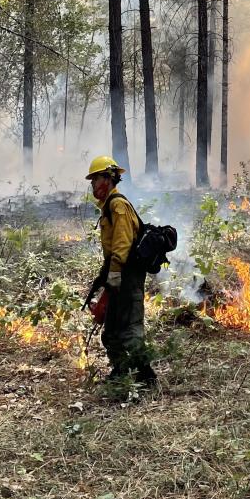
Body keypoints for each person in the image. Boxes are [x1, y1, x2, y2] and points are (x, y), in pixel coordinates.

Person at [86, 155, 157, 387]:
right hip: (117, 274)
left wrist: (114, 274)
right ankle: (120, 371)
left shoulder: (118, 206)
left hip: (127, 275)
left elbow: (122, 245)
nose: (93, 185)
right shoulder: (109, 206)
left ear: (107, 179)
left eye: (95, 179)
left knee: (130, 328)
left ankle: (146, 377)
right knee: (111, 331)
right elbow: (112, 250)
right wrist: (103, 276)